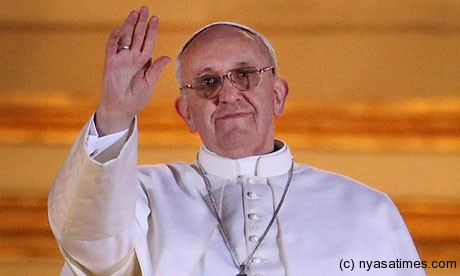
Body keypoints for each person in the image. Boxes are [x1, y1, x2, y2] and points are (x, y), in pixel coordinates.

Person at [48, 6, 426, 276]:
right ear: (187, 113)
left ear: (278, 95)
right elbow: (88, 248)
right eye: (208, 82)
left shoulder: (367, 211)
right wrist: (115, 111)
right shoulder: (142, 195)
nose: (227, 94)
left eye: (245, 74)